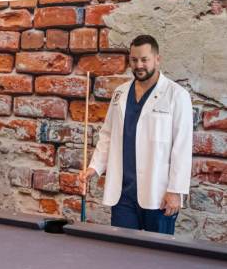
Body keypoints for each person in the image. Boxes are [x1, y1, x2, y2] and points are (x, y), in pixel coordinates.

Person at [79, 35, 193, 234]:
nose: (139, 65)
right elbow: (107, 135)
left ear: (157, 59)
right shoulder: (120, 93)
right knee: (123, 256)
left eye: (144, 59)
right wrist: (94, 168)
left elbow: (182, 147)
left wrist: (175, 190)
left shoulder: (177, 95)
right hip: (123, 195)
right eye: (134, 60)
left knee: (157, 258)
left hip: (158, 194)